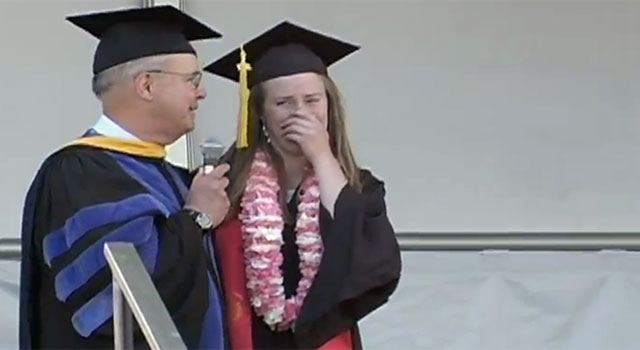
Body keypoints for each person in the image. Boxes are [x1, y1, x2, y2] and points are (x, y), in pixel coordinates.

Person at [19, 6, 230, 349]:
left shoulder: (170, 176)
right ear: (146, 85)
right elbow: (116, 297)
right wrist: (196, 219)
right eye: (192, 80)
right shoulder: (79, 173)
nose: (202, 93)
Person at [204, 21, 402, 350]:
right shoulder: (226, 186)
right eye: (283, 103)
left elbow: (368, 260)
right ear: (260, 114)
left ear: (329, 106)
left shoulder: (360, 188)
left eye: (312, 100)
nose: (300, 113)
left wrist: (322, 155)